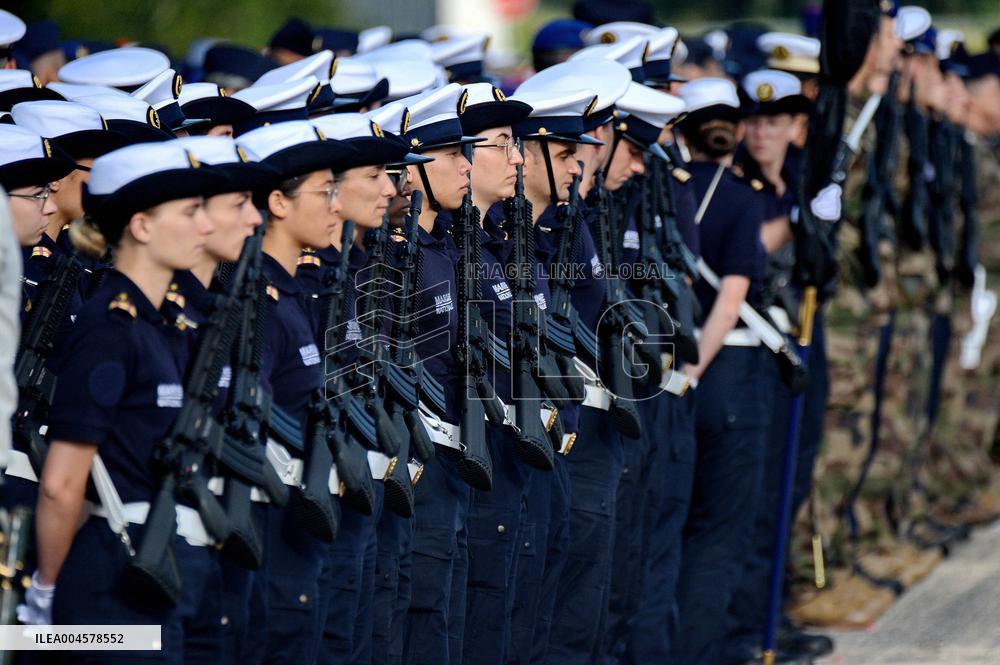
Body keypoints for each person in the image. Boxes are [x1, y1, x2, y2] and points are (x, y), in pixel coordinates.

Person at [30, 139, 226, 662]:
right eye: (189, 213)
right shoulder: (111, 329)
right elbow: (61, 483)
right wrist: (47, 589)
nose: (204, 227)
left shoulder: (159, 321)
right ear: (140, 226)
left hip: (156, 571)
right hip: (109, 583)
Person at [234, 119, 356, 664]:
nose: (337, 205)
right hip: (271, 526)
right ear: (278, 204)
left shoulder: (293, 292)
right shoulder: (259, 300)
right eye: (325, 192)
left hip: (300, 525)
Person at [670, 77, 769, 665]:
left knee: (678, 524)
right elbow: (731, 300)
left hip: (674, 372)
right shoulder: (741, 197)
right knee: (719, 531)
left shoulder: (669, 189)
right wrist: (695, 369)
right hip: (723, 366)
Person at [391, 82, 483, 665]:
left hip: (451, 462)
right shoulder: (398, 257)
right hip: (414, 469)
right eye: (452, 155)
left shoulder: (444, 248)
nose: (466, 166)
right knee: (419, 620)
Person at [454, 82, 532, 665]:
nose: (517, 158)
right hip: (465, 472)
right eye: (502, 144)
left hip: (509, 462)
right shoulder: (443, 256)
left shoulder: (492, 246)